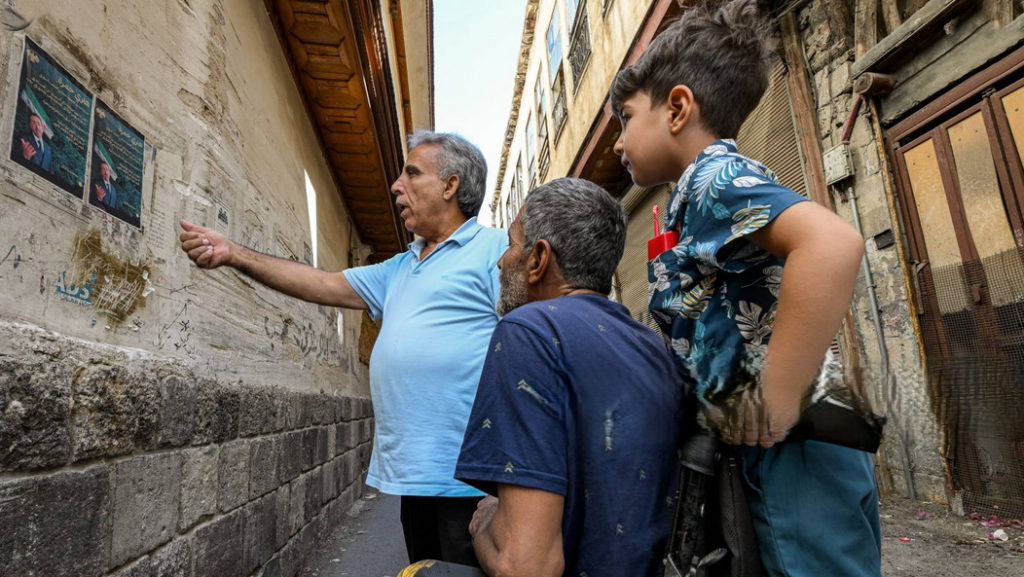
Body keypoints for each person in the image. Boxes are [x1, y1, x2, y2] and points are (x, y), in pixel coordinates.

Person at [609, 1, 881, 577]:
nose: (617, 142)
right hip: (775, 447)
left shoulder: (715, 178)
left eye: (626, 118)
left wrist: (778, 397)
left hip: (794, 450)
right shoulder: (696, 194)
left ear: (678, 107)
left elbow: (832, 246)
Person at [179, 131, 507, 567]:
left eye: (411, 173)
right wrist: (235, 253)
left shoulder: (495, 251)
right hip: (416, 475)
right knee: (426, 573)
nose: (396, 185)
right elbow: (324, 283)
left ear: (450, 185)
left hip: (470, 481)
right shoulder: (403, 265)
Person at [454, 178, 685, 577]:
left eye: (511, 245)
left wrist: (484, 524)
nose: (500, 262)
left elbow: (525, 566)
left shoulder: (529, 330)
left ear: (538, 259)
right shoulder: (653, 342)